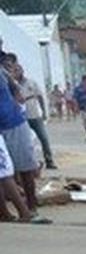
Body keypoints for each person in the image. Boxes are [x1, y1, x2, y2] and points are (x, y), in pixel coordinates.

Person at [0, 53, 47, 223]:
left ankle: (29, 209)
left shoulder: (3, 72)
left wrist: (17, 105)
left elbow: (16, 90)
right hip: (8, 123)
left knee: (20, 168)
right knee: (4, 172)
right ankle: (11, 212)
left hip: (12, 122)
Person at [8, 58, 56, 170]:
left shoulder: (31, 82)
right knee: (26, 142)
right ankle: (30, 164)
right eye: (14, 71)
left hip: (34, 115)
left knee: (43, 138)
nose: (16, 72)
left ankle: (49, 160)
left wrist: (43, 111)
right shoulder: (12, 85)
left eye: (18, 70)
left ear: (22, 71)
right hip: (21, 118)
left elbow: (40, 96)